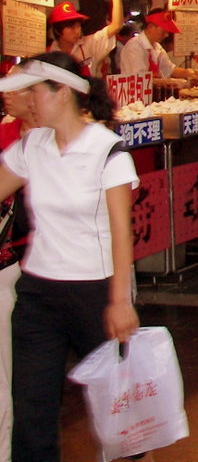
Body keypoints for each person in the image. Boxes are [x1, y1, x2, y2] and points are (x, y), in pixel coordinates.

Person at [0, 54, 141, 461]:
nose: (27, 101)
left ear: (62, 92)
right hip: (38, 294)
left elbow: (121, 234)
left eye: (33, 92)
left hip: (94, 293)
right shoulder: (32, 146)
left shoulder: (107, 151)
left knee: (120, 417)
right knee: (32, 413)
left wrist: (120, 302)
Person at [0, 68, 36, 462]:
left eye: (16, 89)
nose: (6, 95)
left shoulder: (71, 140)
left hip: (42, 266)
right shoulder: (6, 135)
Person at [45, 0, 122, 76]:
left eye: (78, 26)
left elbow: (116, 26)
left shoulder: (89, 43)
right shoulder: (48, 53)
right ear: (57, 31)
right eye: (72, 27)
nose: (77, 31)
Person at [119, 11, 198, 84]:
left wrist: (189, 73)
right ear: (151, 27)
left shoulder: (157, 47)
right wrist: (170, 82)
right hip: (135, 95)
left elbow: (169, 69)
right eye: (164, 31)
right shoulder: (134, 47)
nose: (166, 35)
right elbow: (141, 79)